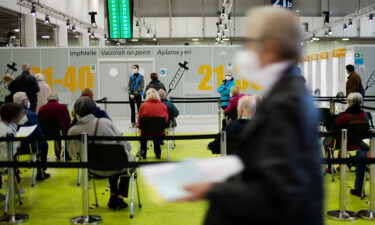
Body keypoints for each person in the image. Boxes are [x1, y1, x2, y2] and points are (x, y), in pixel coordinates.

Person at [178, 7, 322, 225]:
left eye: (251, 43)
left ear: (271, 46)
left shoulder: (285, 104)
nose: (247, 51)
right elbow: (267, 163)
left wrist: (211, 189)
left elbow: (279, 194)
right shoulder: (285, 93)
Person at [68, 96, 134, 209]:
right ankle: (119, 196)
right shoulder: (106, 123)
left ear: (76, 112)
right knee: (124, 160)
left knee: (108, 159)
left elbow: (73, 155)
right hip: (118, 166)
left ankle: (114, 195)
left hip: (94, 168)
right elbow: (125, 145)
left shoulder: (73, 131)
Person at [323, 92, 370, 174]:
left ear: (349, 102)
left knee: (327, 142)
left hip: (343, 143)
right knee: (342, 137)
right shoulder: (365, 115)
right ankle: (341, 165)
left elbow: (333, 128)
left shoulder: (344, 116)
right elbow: (367, 128)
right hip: (359, 143)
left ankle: (330, 168)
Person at [13, 92, 49, 180]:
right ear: (24, 101)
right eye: (27, 99)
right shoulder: (30, 114)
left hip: (12, 147)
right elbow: (38, 132)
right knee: (44, 144)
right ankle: (41, 172)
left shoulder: (8, 113)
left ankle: (14, 171)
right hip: (29, 146)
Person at [38, 92, 71, 160]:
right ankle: (62, 154)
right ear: (57, 99)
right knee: (63, 132)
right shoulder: (62, 107)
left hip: (44, 133)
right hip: (58, 132)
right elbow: (68, 121)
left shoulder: (42, 108)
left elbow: (38, 122)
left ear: (48, 99)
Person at [137, 88, 168, 159]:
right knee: (156, 136)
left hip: (145, 132)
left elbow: (139, 119)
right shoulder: (163, 106)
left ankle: (143, 154)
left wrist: (139, 127)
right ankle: (158, 154)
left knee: (143, 137)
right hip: (159, 132)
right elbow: (166, 119)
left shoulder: (143, 106)